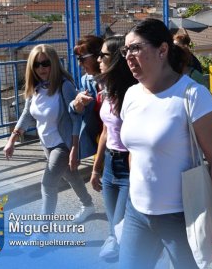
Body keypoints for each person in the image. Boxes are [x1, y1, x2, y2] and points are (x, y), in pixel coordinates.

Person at [118, 19, 212, 268]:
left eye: (135, 48)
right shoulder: (131, 94)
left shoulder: (192, 95)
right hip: (137, 213)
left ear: (162, 50)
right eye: (125, 50)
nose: (128, 56)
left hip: (182, 216)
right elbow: (134, 152)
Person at [4, 44, 95, 223]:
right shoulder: (36, 87)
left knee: (47, 184)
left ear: (53, 63)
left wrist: (74, 148)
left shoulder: (65, 86)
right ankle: (88, 205)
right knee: (70, 175)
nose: (41, 69)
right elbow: (28, 113)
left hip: (63, 143)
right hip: (46, 142)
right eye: (36, 65)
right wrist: (12, 140)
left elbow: (76, 117)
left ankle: (44, 230)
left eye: (45, 63)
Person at [89, 36, 137, 259]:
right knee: (112, 219)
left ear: (116, 59)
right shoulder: (106, 90)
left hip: (129, 163)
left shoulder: (133, 94)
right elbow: (106, 132)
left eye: (103, 55)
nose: (98, 59)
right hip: (110, 162)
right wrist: (96, 168)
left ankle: (126, 252)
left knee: (120, 220)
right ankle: (116, 241)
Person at [70, 35, 104, 160]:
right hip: (99, 140)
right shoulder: (86, 81)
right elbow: (76, 112)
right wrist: (75, 105)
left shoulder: (115, 79)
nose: (79, 64)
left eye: (82, 59)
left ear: (97, 55)